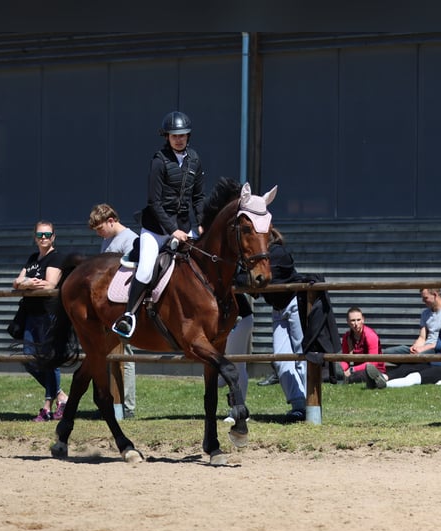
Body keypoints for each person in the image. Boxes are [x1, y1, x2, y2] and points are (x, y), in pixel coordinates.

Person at [112, 110, 205, 338]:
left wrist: (202, 223)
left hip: (183, 228)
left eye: (182, 135)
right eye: (174, 136)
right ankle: (128, 316)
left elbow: (199, 197)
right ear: (167, 137)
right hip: (156, 230)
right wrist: (173, 231)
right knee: (144, 271)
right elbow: (154, 202)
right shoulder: (159, 161)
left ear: (188, 135)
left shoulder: (195, 159)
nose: (179, 139)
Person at [200, 177, 254, 401]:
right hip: (220, 318)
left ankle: (237, 405)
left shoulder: (234, 253)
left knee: (234, 365)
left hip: (238, 317)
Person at [13, 220, 69, 422]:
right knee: (29, 359)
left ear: (53, 236)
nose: (43, 238)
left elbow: (50, 284)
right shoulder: (33, 258)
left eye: (47, 234)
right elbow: (17, 282)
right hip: (31, 314)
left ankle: (47, 407)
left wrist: (26, 283)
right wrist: (26, 283)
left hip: (49, 314)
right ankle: (61, 396)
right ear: (35, 237)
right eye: (40, 235)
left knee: (49, 358)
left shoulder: (57, 258)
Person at [89, 203, 139, 418]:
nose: (99, 234)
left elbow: (131, 274)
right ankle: (111, 404)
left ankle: (127, 407)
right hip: (108, 307)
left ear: (112, 221)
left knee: (124, 355)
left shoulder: (131, 240)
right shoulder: (107, 241)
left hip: (123, 305)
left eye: (100, 228)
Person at [261, 227, 307, 423]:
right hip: (277, 309)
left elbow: (261, 279)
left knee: (301, 355)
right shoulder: (256, 258)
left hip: (294, 302)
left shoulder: (278, 252)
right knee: (280, 359)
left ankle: (309, 405)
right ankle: (298, 405)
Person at [384, 288, 441, 356]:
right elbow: (422, 337)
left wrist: (425, 348)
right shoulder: (425, 313)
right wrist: (415, 347)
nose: (423, 301)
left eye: (425, 298)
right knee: (388, 353)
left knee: (419, 356)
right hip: (423, 349)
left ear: (435, 295)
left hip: (437, 349)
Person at [339, 306, 387, 389]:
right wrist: (341, 369)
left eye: (358, 320)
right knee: (336, 372)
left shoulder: (370, 335)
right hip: (356, 369)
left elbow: (373, 362)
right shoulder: (347, 337)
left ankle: (380, 377)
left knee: (356, 376)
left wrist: (351, 370)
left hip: (373, 369)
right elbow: (345, 359)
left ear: (363, 320)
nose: (356, 323)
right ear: (347, 322)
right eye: (353, 320)